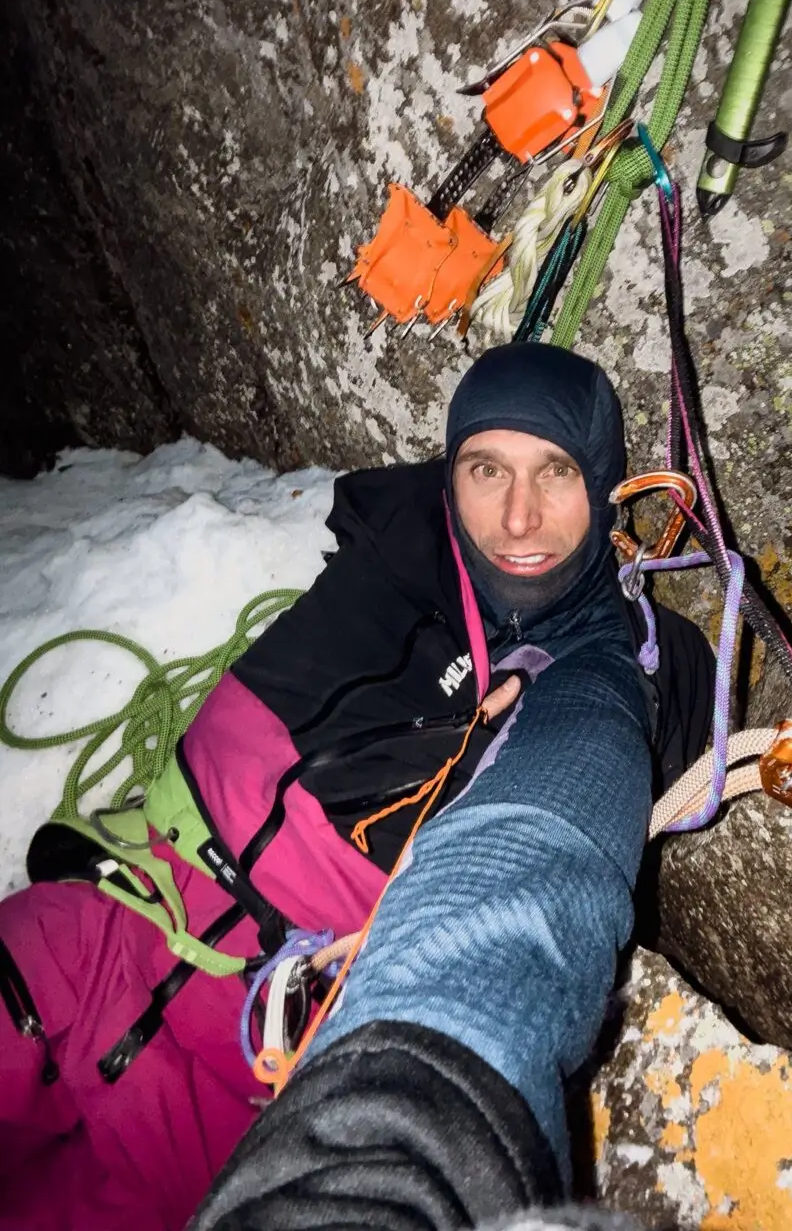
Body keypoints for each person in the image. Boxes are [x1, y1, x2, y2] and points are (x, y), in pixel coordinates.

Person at [0, 343, 714, 1231]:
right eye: (486, 468)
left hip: (250, 1087)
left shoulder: (601, 670)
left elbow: (537, 856)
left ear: (603, 484)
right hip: (108, 928)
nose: (518, 517)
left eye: (557, 472)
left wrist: (413, 1110)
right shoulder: (398, 542)